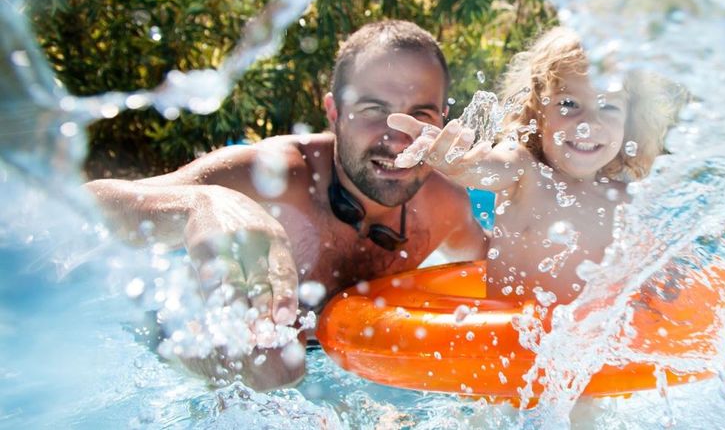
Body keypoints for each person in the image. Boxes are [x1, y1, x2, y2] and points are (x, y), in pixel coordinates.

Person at [85, 20, 488, 390]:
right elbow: (89, 205)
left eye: (420, 115)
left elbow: (502, 270)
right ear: (334, 113)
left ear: (443, 120)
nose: (398, 140)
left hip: (341, 375)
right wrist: (200, 204)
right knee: (273, 364)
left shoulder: (445, 205)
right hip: (178, 358)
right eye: (374, 110)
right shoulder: (272, 177)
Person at [388, 26, 672, 304]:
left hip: (582, 334)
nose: (588, 123)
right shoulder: (525, 168)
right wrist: (458, 163)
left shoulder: (626, 201)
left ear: (629, 121)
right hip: (508, 331)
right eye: (569, 103)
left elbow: (649, 281)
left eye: (608, 107)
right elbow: (489, 168)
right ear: (538, 110)